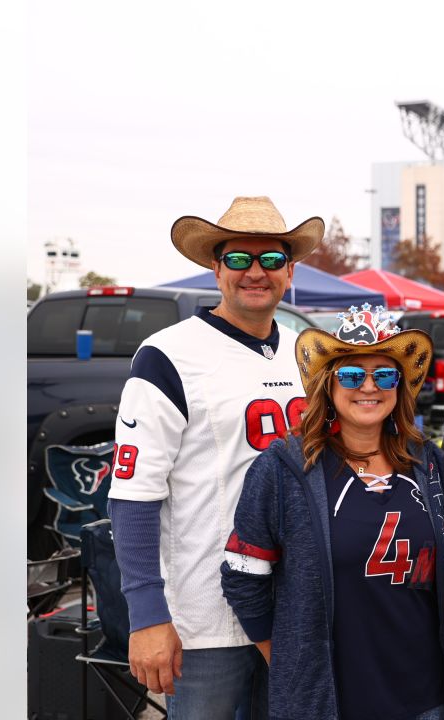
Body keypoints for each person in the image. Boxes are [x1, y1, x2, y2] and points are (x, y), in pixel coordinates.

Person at [107, 196, 323, 718]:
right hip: (202, 615)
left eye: (271, 259)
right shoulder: (167, 354)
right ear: (215, 265)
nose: (256, 272)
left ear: (290, 270)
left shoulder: (308, 352)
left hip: (292, 609)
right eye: (239, 258)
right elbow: (133, 494)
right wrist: (146, 614)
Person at [220, 307, 444, 720]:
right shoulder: (285, 468)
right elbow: (243, 576)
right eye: (351, 375)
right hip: (330, 700)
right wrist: (289, 661)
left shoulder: (426, 461)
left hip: (424, 696)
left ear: (400, 387)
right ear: (328, 386)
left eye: (384, 375)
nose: (369, 386)